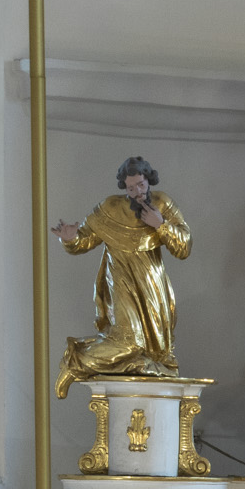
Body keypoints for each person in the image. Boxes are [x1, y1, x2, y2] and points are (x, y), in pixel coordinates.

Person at [53, 156, 190, 396]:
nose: (137, 193)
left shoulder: (162, 203)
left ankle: (139, 365)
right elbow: (85, 240)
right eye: (131, 188)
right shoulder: (110, 209)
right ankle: (75, 363)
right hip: (121, 284)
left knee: (155, 353)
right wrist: (70, 239)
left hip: (152, 286)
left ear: (149, 180)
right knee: (129, 344)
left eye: (141, 185)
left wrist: (161, 224)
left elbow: (184, 247)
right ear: (124, 188)